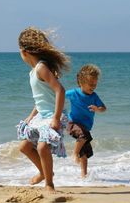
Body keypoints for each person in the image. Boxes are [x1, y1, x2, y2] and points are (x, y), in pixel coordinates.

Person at [16, 27, 70, 193]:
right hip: (41, 116)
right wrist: (30, 117)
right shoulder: (33, 72)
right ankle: (44, 172)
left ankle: (49, 184)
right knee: (24, 147)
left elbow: (60, 90)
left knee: (41, 147)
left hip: (53, 115)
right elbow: (40, 100)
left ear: (23, 51)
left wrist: (55, 117)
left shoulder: (41, 68)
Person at [65, 64, 106, 178]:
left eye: (95, 84)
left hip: (86, 127)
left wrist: (97, 109)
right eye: (91, 84)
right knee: (83, 137)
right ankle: (74, 154)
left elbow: (104, 108)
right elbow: (59, 95)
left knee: (85, 153)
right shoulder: (74, 93)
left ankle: (84, 175)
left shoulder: (94, 96)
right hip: (73, 123)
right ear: (81, 83)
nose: (93, 86)